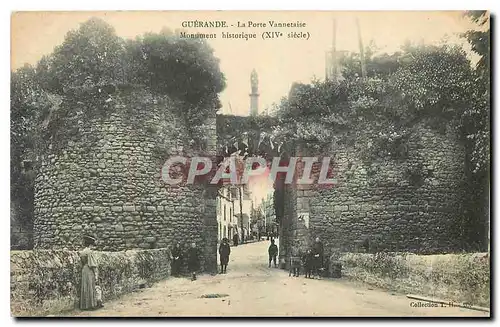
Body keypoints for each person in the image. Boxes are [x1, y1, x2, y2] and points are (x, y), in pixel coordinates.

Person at [80, 235, 101, 310]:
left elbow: (83, 262)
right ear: (90, 245)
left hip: (84, 269)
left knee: (85, 287)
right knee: (90, 286)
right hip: (89, 269)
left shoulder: (82, 252)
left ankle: (84, 305)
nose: (93, 247)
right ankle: (91, 305)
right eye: (92, 245)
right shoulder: (90, 252)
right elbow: (93, 264)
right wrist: (96, 274)